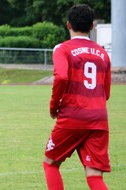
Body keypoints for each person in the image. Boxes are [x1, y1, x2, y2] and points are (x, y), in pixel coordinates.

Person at [43, 4, 111, 190]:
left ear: (68, 25)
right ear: (92, 27)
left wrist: (53, 107)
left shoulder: (62, 49)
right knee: (95, 176)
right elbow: (106, 92)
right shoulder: (103, 53)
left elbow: (62, 77)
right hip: (99, 117)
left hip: (73, 115)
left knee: (50, 163)